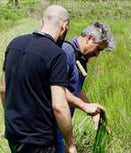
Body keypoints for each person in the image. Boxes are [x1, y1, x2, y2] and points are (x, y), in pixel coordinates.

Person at [0, 5, 77, 153]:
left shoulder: (14, 44)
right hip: (40, 141)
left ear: (42, 22)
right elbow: (59, 106)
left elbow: (3, 89)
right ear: (65, 26)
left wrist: (14, 120)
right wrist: (70, 144)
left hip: (14, 135)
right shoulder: (56, 54)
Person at [55, 21, 116, 153]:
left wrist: (92, 111)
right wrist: (84, 106)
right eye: (98, 48)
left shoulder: (81, 58)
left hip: (61, 126)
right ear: (89, 38)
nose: (97, 54)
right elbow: (56, 90)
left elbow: (75, 88)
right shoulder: (65, 53)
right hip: (50, 126)